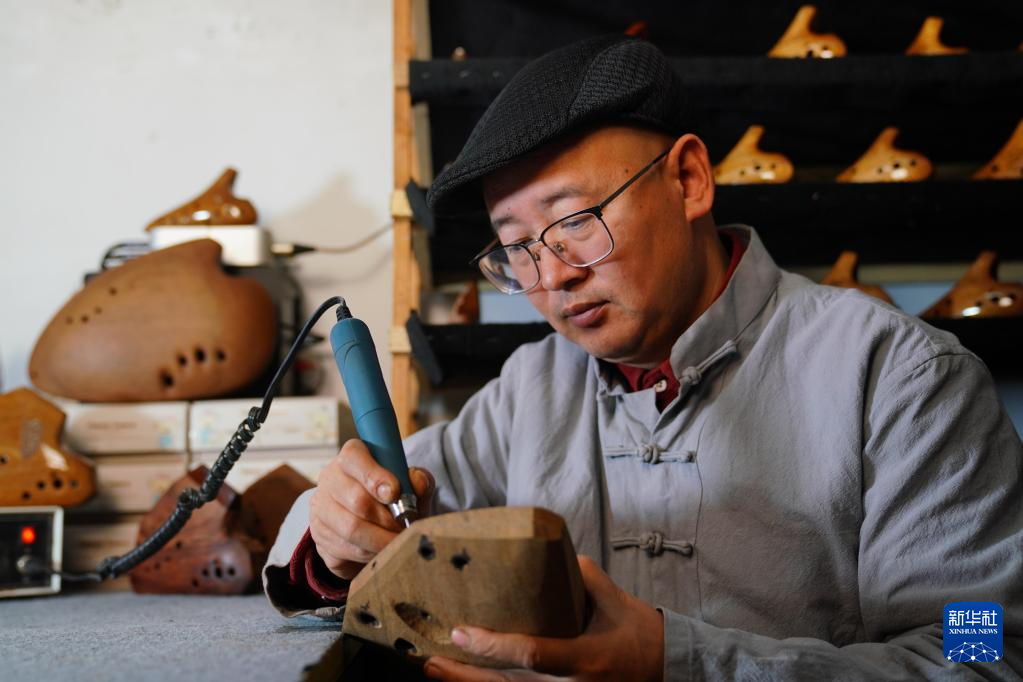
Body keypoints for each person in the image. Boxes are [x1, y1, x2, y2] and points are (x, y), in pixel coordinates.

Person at [264, 36, 1022, 681]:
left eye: (575, 220)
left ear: (688, 180)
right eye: (517, 248)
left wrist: (674, 660)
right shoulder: (531, 390)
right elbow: (357, 508)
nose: (552, 277)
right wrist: (334, 536)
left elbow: (985, 651)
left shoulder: (901, 377)